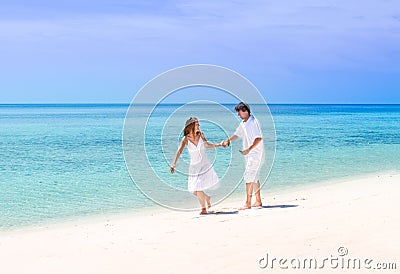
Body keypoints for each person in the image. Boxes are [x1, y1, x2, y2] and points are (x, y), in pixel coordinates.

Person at [170, 117, 222, 215]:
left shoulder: (201, 135)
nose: (199, 125)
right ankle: (206, 197)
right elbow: (179, 151)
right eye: (197, 124)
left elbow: (207, 145)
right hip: (194, 167)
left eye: (198, 124)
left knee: (198, 187)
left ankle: (203, 209)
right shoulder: (185, 139)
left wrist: (219, 145)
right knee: (193, 189)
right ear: (191, 125)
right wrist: (174, 164)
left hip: (204, 165)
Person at [222, 102, 265, 209]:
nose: (238, 115)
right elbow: (237, 134)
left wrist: (248, 149)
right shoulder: (243, 123)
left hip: (255, 154)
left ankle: (248, 203)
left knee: (248, 177)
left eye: (239, 112)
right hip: (250, 154)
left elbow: (259, 138)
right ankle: (258, 201)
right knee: (254, 177)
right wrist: (228, 140)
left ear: (245, 111)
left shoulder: (254, 121)